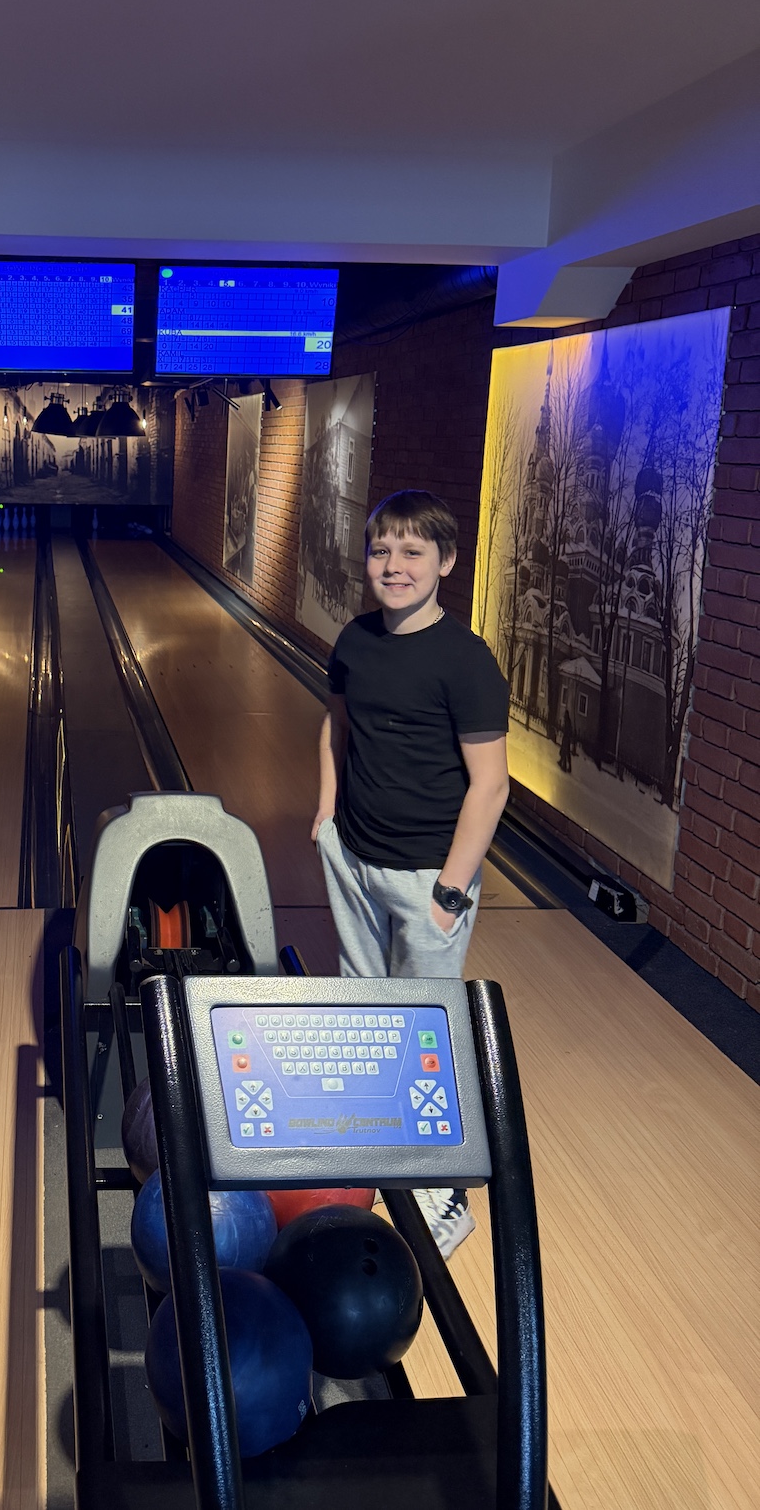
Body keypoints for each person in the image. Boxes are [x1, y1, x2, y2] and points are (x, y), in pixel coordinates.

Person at [310, 490, 509, 1256]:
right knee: (364, 1012)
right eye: (380, 551)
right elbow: (335, 725)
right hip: (354, 860)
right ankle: (372, 1141)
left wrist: (450, 892)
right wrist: (326, 816)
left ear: (444, 563)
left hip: (428, 875)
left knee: (427, 1032)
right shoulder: (354, 640)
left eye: (411, 553)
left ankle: (440, 1187)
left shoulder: (465, 661)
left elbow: (490, 785)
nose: (393, 566)